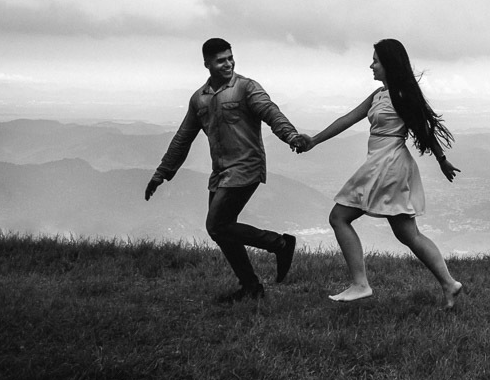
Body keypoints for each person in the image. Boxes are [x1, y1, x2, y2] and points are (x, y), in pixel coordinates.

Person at [296, 38, 463, 307]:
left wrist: (442, 160)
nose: (371, 65)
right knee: (409, 235)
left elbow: (425, 129)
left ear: (389, 64)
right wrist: (314, 141)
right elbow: (347, 119)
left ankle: (360, 284)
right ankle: (450, 284)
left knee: (339, 217)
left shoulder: (402, 94)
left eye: (376, 60)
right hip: (386, 164)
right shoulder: (379, 95)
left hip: (388, 164)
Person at [145, 38, 308, 303]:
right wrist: (161, 173)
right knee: (222, 231)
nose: (228, 63)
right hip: (220, 172)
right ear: (207, 64)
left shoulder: (246, 87)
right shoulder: (199, 98)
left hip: (247, 167)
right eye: (221, 60)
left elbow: (271, 112)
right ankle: (251, 287)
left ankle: (279, 244)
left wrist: (291, 136)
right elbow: (182, 138)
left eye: (231, 58)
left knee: (217, 225)